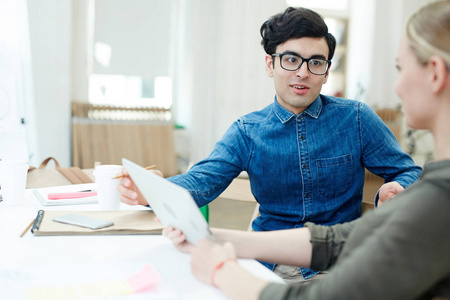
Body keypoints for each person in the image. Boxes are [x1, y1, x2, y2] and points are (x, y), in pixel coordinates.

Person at [163, 1, 450, 299]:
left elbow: (402, 177)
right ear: (270, 64)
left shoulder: (356, 119)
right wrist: (154, 191)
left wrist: (395, 188)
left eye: (315, 63)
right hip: (267, 262)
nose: (303, 72)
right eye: (290, 60)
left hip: (336, 267)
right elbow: (201, 181)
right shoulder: (247, 130)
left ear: (326, 72)